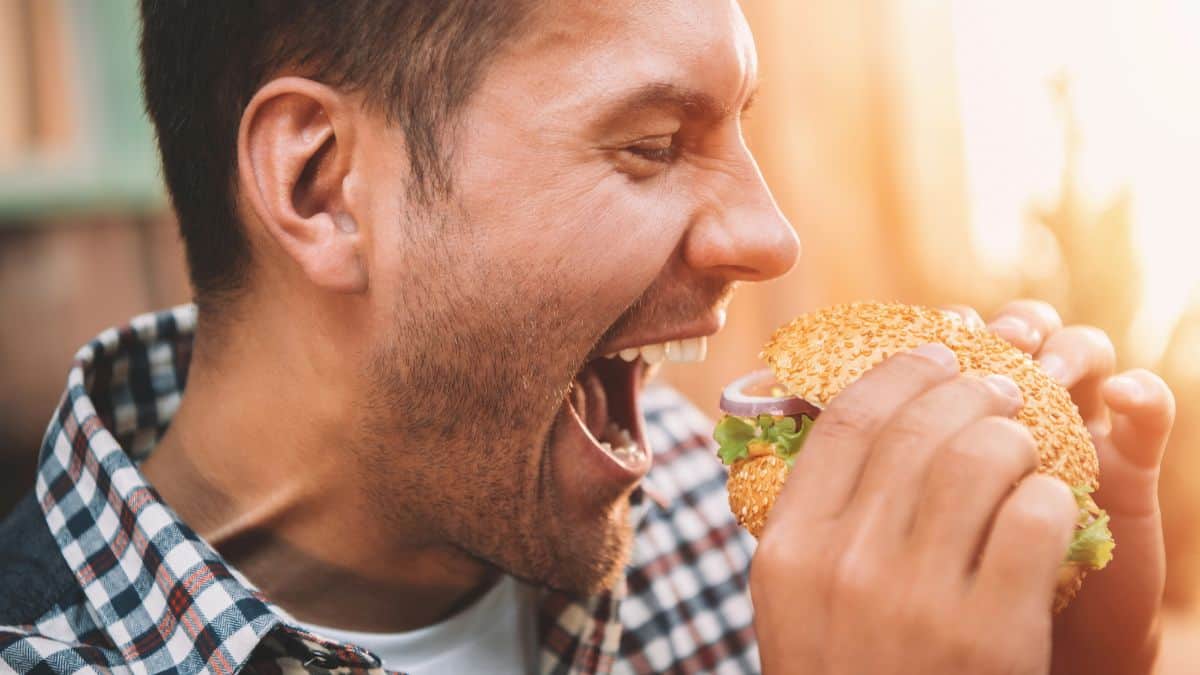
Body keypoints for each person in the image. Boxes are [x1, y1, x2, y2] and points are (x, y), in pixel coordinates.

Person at [0, 1, 1175, 673]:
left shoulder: (750, 538)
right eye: (654, 143)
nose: (771, 238)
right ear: (320, 186)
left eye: (741, 131)